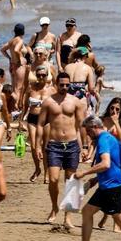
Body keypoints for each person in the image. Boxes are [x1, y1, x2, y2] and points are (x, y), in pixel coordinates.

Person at [65, 115, 121, 241]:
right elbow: (112, 165)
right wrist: (94, 180)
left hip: (112, 187)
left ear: (94, 127)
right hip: (107, 185)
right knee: (87, 212)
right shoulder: (107, 138)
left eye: (88, 131)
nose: (88, 135)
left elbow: (106, 164)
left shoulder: (104, 139)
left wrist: (84, 172)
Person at [39, 71, 88, 230]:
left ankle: (67, 216)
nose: (65, 87)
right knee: (53, 179)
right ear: (56, 84)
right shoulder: (48, 102)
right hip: (54, 145)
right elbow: (40, 124)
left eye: (68, 85)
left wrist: (85, 147)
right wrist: (39, 145)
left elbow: (82, 125)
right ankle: (54, 206)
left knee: (71, 182)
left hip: (72, 145)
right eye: (62, 85)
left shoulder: (76, 102)